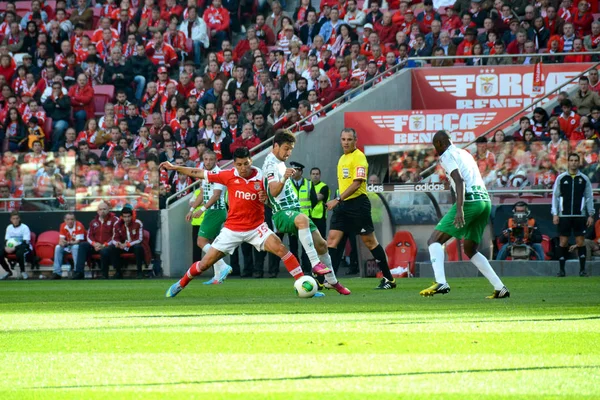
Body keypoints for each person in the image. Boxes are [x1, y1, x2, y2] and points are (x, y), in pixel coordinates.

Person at [162, 147, 332, 298]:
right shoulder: (227, 175)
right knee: (205, 263)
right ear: (234, 164)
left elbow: (271, 200)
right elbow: (198, 173)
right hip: (232, 229)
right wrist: (175, 167)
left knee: (281, 249)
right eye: (239, 165)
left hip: (257, 228)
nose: (243, 168)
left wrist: (265, 199)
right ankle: (180, 284)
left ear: (251, 160)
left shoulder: (261, 176)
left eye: (246, 163)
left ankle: (305, 285)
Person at [420, 130, 509, 299]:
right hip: (484, 201)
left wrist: (459, 208)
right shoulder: (465, 153)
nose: (435, 150)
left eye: (435, 146)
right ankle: (500, 287)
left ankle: (441, 282)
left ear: (440, 143)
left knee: (434, 240)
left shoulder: (446, 155)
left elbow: (459, 180)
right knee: (470, 248)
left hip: (469, 202)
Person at [262, 130, 350, 295]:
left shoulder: (278, 161)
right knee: (302, 219)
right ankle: (315, 264)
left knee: (322, 244)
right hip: (282, 213)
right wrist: (283, 178)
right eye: (286, 148)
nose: (288, 153)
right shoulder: (271, 165)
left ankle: (332, 282)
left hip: (294, 212)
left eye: (291, 149)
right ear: (276, 146)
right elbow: (273, 191)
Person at [326, 128, 396, 290]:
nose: (346, 142)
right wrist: (340, 201)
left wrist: (337, 199)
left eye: (349, 139)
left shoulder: (360, 157)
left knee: (370, 242)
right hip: (343, 205)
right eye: (343, 139)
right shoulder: (342, 158)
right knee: (332, 240)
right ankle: (331, 279)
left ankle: (389, 279)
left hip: (358, 204)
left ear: (355, 140)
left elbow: (357, 183)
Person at [185, 150, 232, 285]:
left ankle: (223, 266)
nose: (208, 162)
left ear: (216, 161)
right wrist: (192, 209)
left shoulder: (218, 174)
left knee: (201, 242)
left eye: (211, 159)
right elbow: (202, 193)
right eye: (206, 159)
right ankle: (218, 277)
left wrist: (203, 210)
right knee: (214, 244)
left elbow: (216, 195)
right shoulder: (205, 174)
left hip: (215, 211)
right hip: (212, 211)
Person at [552, 153, 595, 277]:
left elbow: (589, 197)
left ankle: (582, 270)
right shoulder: (561, 178)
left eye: (576, 160)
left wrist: (591, 214)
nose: (574, 162)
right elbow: (555, 196)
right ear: (568, 162)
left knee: (580, 242)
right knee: (563, 242)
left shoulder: (584, 179)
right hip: (564, 215)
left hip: (579, 215)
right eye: (571, 160)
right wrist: (555, 213)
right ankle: (561, 270)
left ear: (579, 162)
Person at [75, 201, 120, 279]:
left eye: (104, 209)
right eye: (100, 209)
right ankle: (79, 272)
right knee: (82, 245)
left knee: (104, 250)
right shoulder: (93, 222)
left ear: (108, 210)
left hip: (109, 246)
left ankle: (104, 274)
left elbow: (115, 235)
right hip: (96, 245)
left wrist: (104, 245)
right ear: (97, 211)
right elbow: (89, 235)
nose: (102, 211)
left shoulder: (115, 220)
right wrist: (94, 244)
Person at [110, 206, 146, 279]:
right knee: (113, 248)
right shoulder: (117, 224)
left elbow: (139, 239)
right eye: (125, 217)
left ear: (132, 216)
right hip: (122, 246)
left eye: (129, 216)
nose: (127, 219)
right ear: (121, 217)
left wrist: (127, 244)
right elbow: (114, 238)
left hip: (133, 245)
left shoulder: (138, 223)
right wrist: (117, 243)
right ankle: (118, 272)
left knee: (138, 247)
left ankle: (139, 272)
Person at [52, 212, 86, 280]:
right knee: (58, 247)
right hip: (68, 245)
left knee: (75, 247)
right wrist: (62, 243)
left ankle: (77, 272)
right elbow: (61, 240)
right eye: (68, 219)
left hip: (79, 246)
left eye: (72, 219)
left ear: (75, 220)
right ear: (64, 220)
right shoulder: (62, 225)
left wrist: (67, 243)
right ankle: (57, 273)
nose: (70, 221)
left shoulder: (79, 225)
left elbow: (78, 241)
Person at [0, 211, 32, 280]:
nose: (15, 220)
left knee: (19, 253)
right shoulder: (9, 227)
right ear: (11, 220)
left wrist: (15, 248)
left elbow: (25, 242)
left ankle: (23, 272)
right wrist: (6, 247)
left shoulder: (24, 227)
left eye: (17, 218)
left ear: (19, 219)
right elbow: (6, 240)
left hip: (23, 247)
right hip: (11, 247)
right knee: (0, 253)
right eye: (13, 219)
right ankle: (8, 271)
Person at [309, 167, 329, 238]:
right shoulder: (307, 186)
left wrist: (308, 195)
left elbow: (317, 198)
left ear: (320, 175)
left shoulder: (324, 187)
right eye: (313, 174)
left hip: (320, 218)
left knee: (321, 239)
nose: (315, 176)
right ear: (310, 175)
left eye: (317, 174)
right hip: (309, 216)